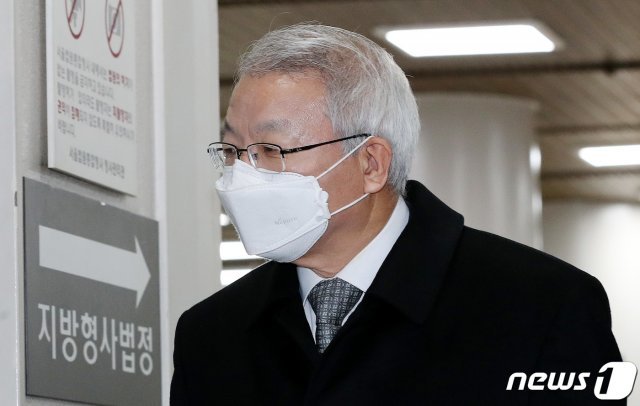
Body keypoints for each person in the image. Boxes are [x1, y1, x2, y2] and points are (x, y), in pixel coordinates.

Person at [170, 24, 624, 405]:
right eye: (232, 150)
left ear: (371, 164)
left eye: (270, 150)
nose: (243, 174)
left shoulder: (541, 306)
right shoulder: (212, 334)